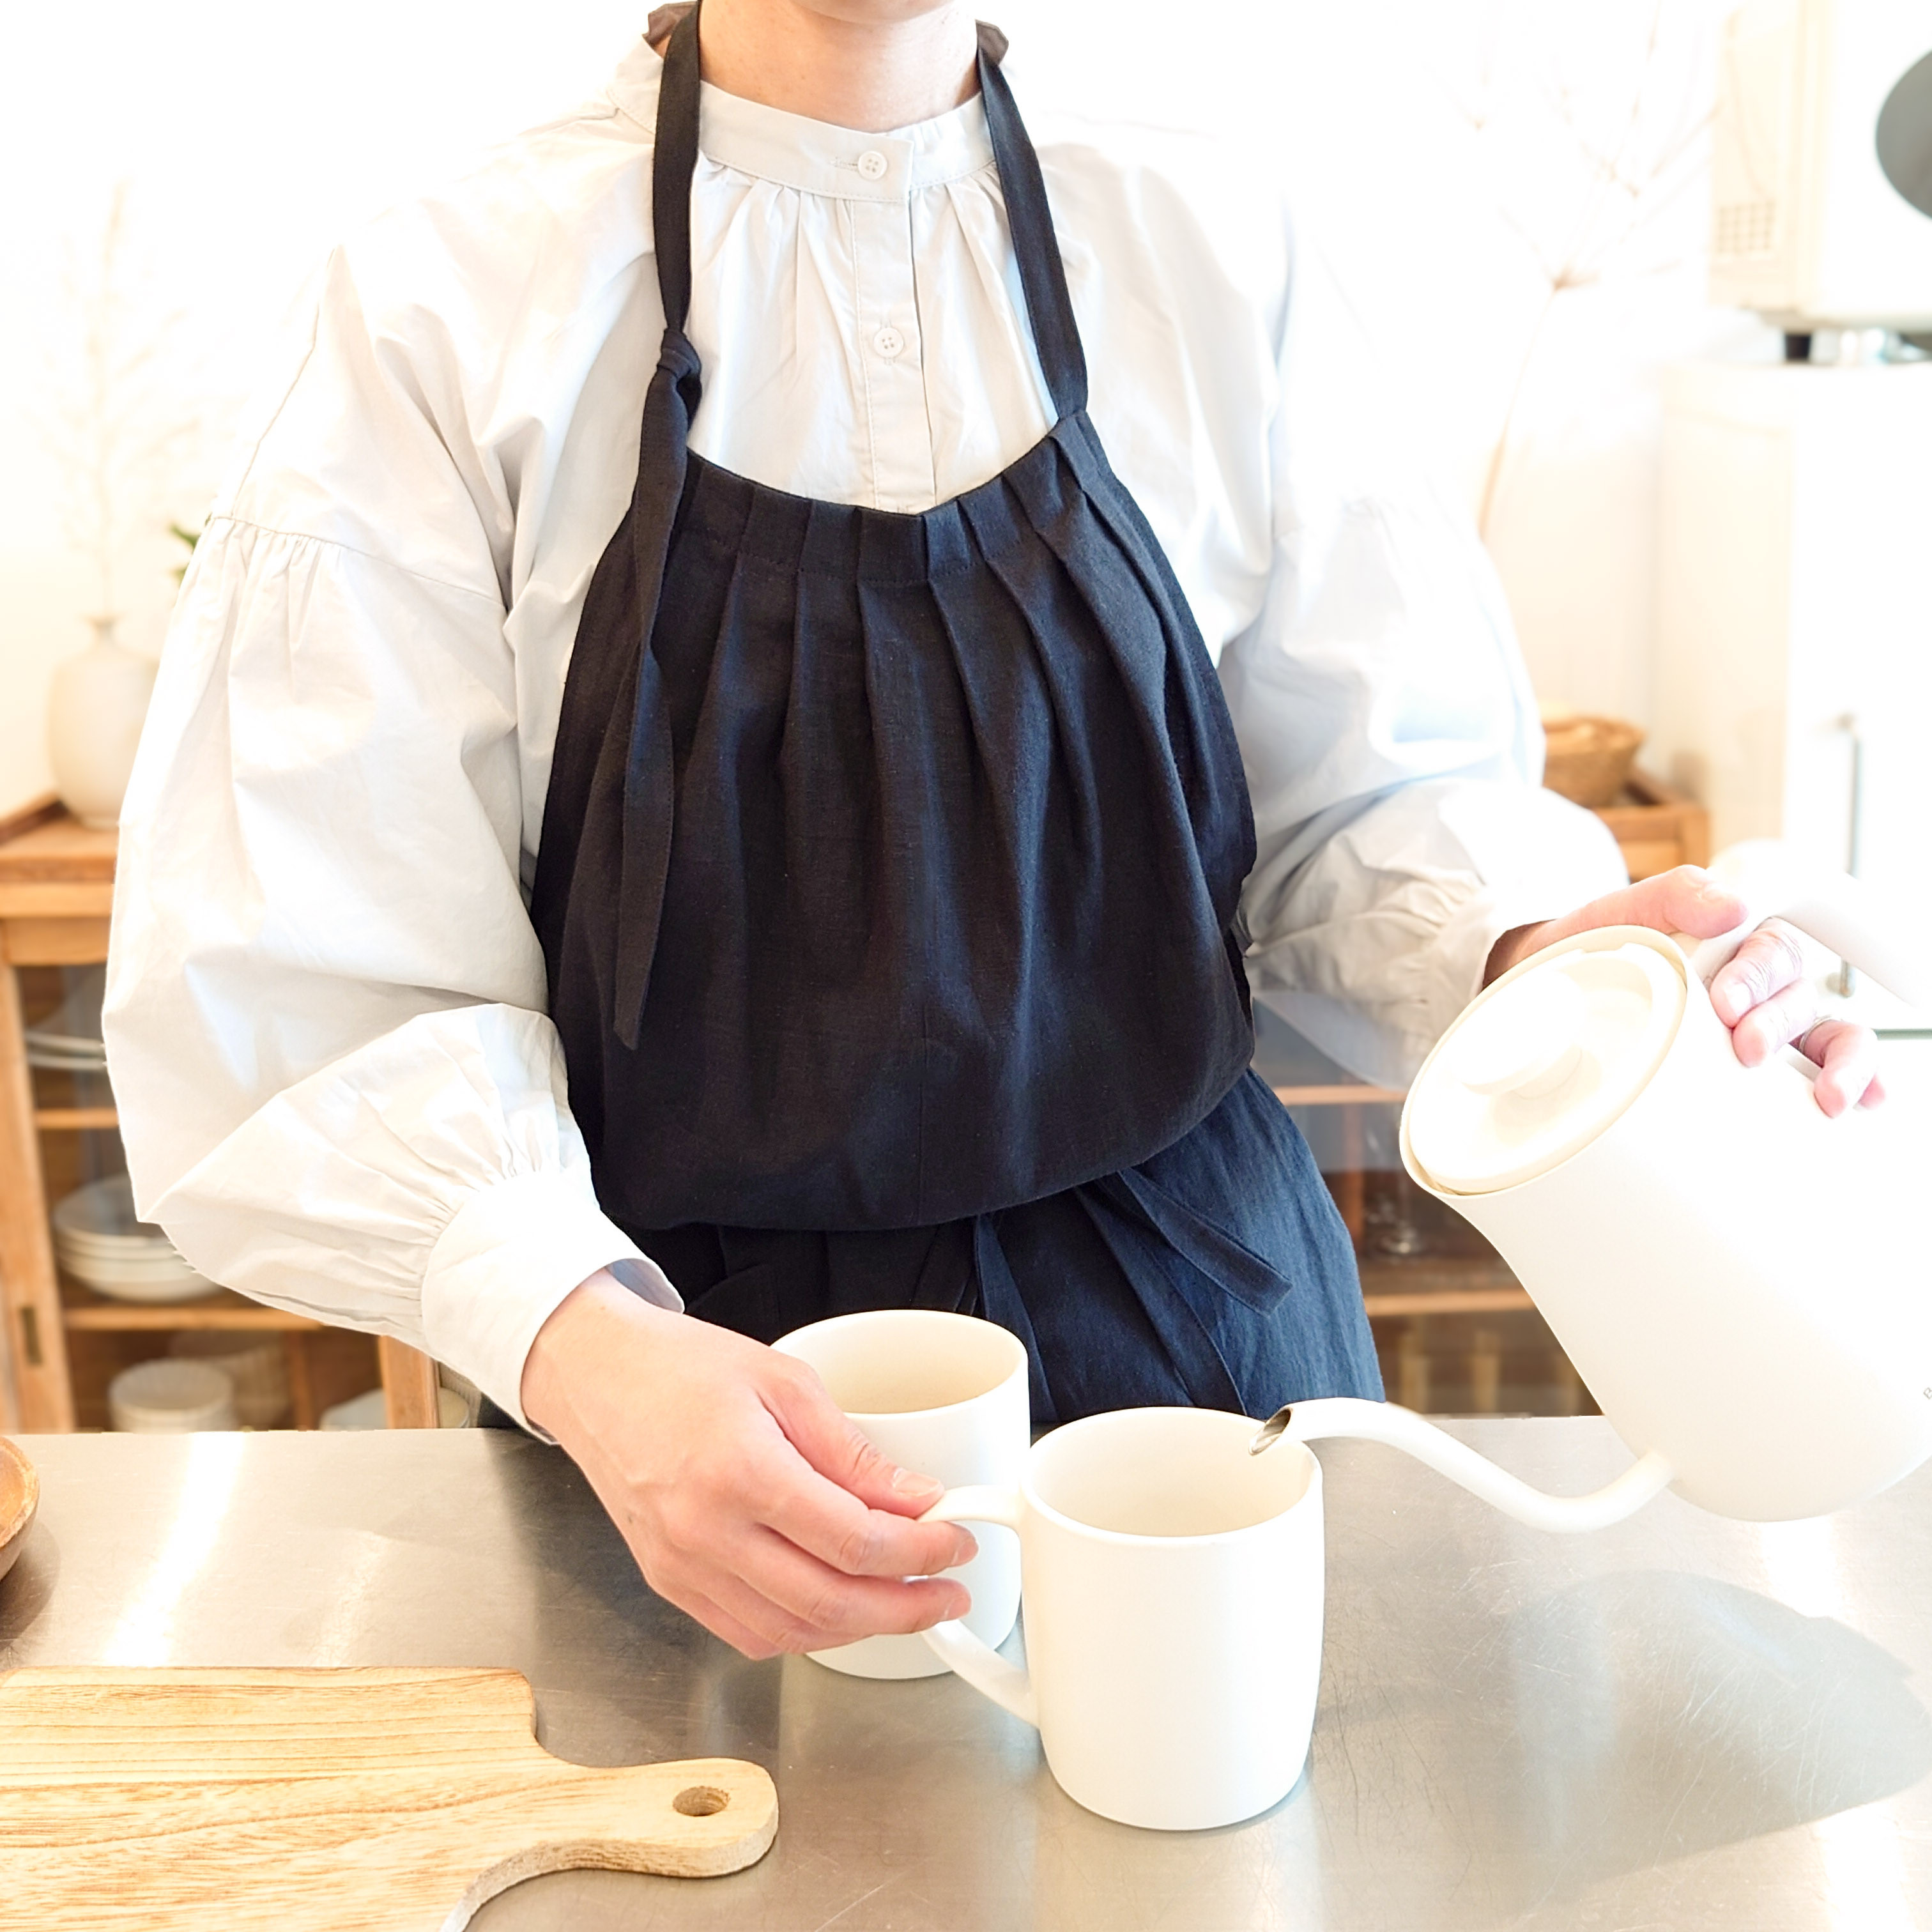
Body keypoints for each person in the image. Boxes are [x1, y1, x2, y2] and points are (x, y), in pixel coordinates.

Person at [105, 0, 1882, 1661]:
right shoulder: (446, 304)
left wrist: (1540, 955)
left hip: (1211, 1376)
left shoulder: (1206, 243)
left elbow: (1368, 808)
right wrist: (583, 1349)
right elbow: (312, 981)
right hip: (696, 1436)